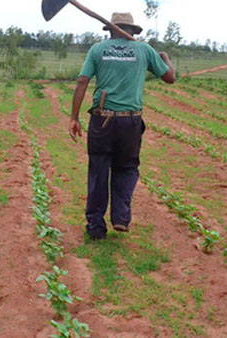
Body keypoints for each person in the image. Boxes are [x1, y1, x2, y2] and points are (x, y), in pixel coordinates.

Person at [69, 12, 175, 240]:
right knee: (126, 168)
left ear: (110, 30)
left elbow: (82, 81)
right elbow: (170, 77)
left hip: (102, 119)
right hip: (130, 121)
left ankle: (96, 228)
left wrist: (74, 117)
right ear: (132, 30)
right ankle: (120, 218)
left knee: (98, 170)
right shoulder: (144, 50)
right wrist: (165, 57)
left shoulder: (98, 50)